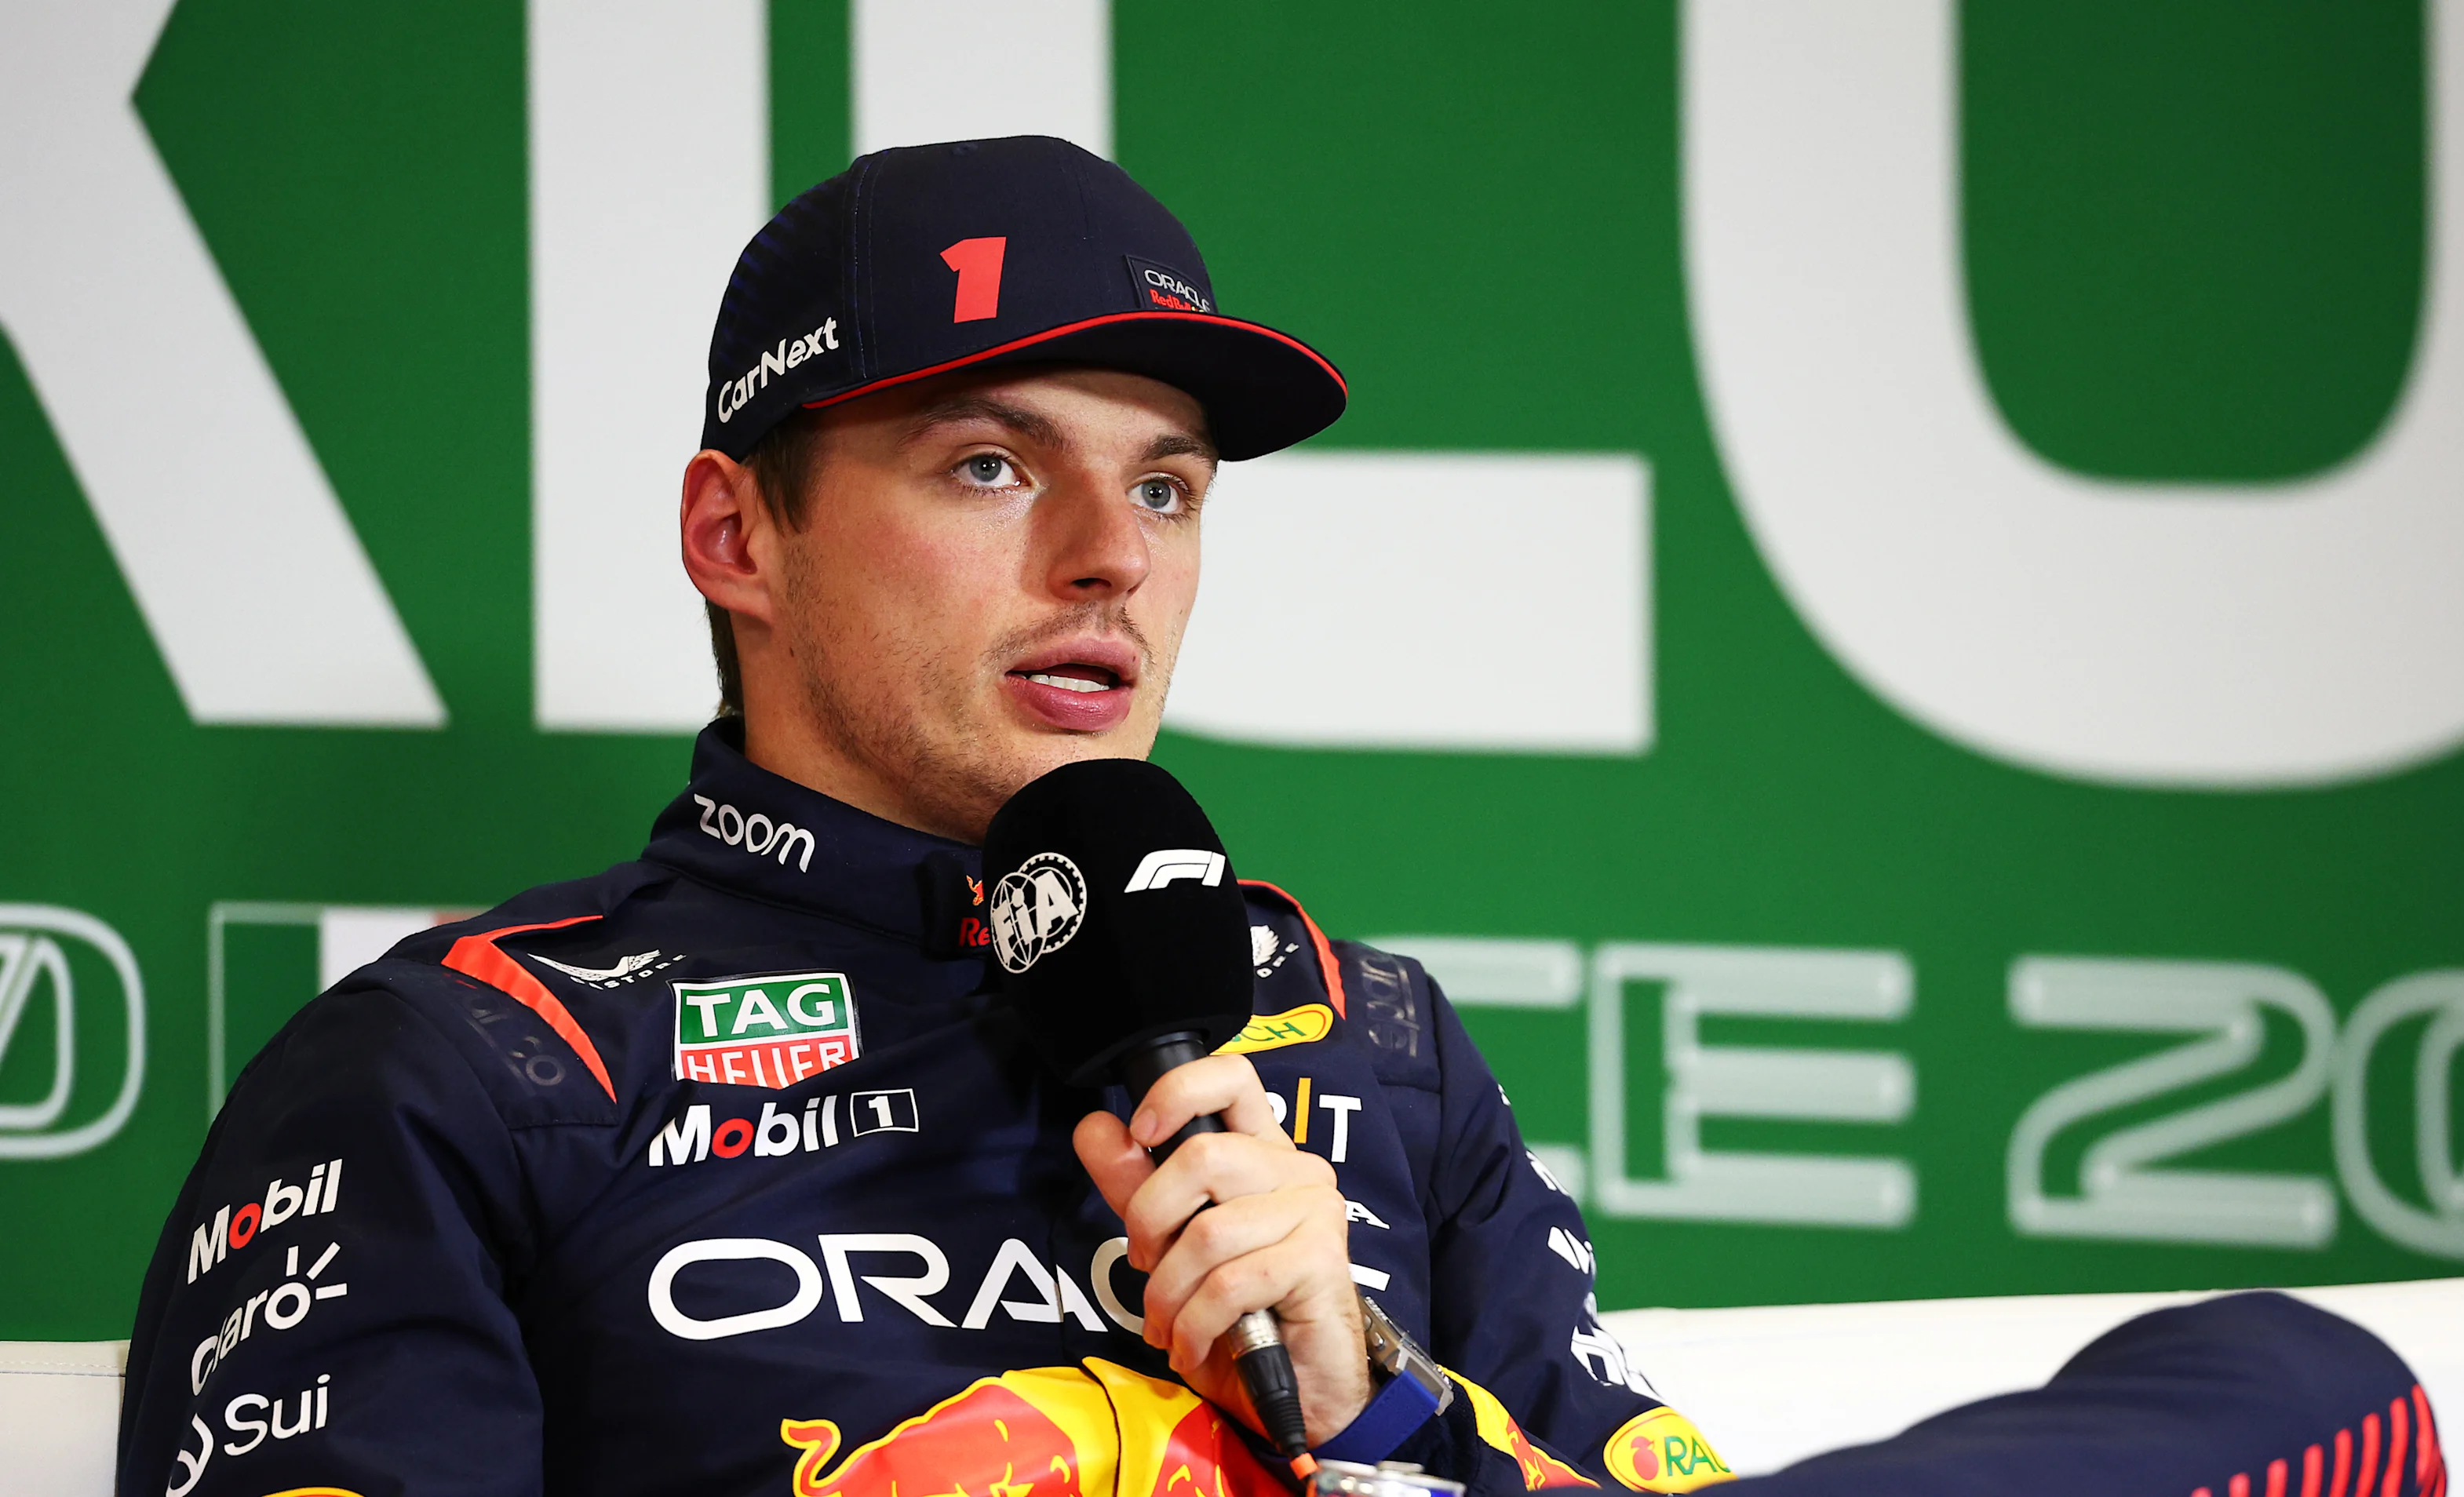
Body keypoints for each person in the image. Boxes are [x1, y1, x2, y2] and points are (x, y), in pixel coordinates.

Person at [117, 136, 1721, 1497]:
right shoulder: (478, 1067)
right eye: (988, 468)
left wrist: (1380, 1405)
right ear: (736, 534)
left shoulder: (1370, 1038)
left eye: (1166, 488)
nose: (1113, 557)